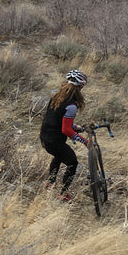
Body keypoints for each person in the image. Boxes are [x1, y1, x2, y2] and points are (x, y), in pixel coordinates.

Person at [39, 69, 89, 201]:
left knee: (59, 155)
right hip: (55, 141)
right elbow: (66, 130)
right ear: (80, 86)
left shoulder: (56, 96)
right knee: (73, 163)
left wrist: (76, 127)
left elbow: (57, 120)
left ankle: (50, 183)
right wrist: (84, 141)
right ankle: (63, 193)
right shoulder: (71, 105)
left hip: (45, 137)